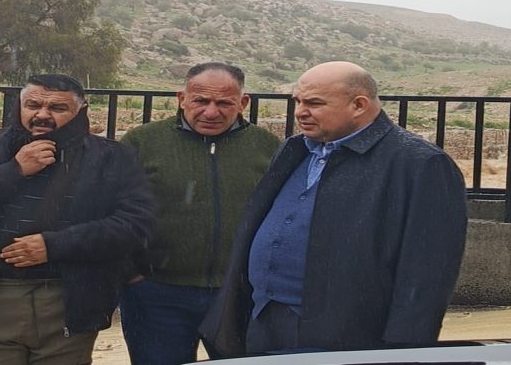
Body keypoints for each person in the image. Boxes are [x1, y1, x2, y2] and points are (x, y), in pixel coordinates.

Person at [201, 61, 468, 356]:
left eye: (314, 103)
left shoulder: (420, 164)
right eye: (298, 101)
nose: (300, 111)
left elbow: (428, 271)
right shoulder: (295, 149)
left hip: (348, 337)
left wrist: (403, 351)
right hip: (263, 321)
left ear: (359, 105)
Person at [0, 74, 155, 365]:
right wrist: (13, 170)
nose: (42, 115)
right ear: (19, 105)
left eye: (57, 108)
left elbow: (135, 224)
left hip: (70, 297)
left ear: (80, 111)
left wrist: (55, 245)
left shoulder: (111, 158)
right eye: (33, 105)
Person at [118, 62, 280, 365]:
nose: (211, 112)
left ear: (243, 103)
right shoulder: (142, 142)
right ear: (182, 99)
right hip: (155, 293)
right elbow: (111, 207)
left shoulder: (267, 146)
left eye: (224, 103)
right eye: (201, 101)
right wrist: (129, 271)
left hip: (238, 295)